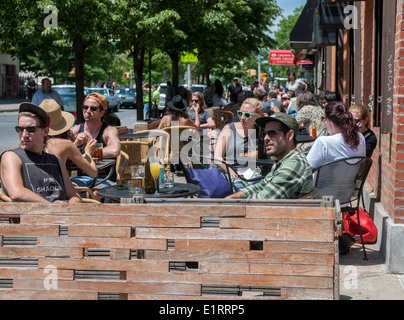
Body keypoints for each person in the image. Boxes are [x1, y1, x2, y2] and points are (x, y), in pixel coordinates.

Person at [0, 103, 81, 203]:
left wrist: (65, 205)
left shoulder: (56, 161)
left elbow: (75, 196)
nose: (24, 135)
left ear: (45, 132)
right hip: (31, 217)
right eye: (20, 129)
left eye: (31, 129)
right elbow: (16, 193)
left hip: (63, 216)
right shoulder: (12, 157)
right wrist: (51, 208)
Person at [225, 112, 313, 199]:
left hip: (273, 212)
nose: (265, 138)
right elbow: (261, 186)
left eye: (272, 133)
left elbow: (262, 201)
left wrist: (231, 204)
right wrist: (233, 197)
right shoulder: (284, 161)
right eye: (264, 133)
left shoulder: (294, 164)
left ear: (289, 136)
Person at [38, 99, 98, 180]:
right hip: (57, 188)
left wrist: (75, 145)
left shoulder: (31, 142)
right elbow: (93, 173)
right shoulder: (66, 144)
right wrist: (88, 152)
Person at [70, 92, 121, 187]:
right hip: (81, 178)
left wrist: (88, 153)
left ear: (101, 112)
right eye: (85, 107)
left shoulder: (108, 130)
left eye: (93, 108)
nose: (88, 111)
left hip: (104, 179)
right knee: (65, 188)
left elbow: (115, 151)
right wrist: (75, 144)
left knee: (93, 193)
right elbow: (61, 152)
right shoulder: (75, 130)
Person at [214, 98, 265, 191]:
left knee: (262, 190)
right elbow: (217, 157)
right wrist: (231, 171)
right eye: (240, 113)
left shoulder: (261, 130)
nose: (242, 117)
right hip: (229, 172)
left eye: (247, 115)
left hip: (252, 173)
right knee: (241, 191)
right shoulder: (229, 129)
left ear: (257, 116)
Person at [307, 101, 366, 171]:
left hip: (323, 182)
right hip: (349, 182)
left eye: (323, 118)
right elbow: (361, 167)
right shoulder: (360, 137)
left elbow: (305, 172)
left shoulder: (323, 142)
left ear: (328, 121)